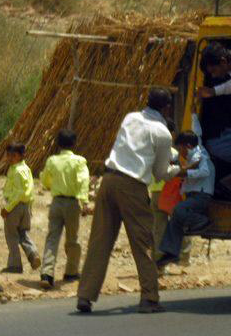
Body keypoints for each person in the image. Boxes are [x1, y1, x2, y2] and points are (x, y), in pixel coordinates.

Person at [76, 88, 180, 314]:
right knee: (142, 243)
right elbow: (160, 173)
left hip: (109, 179)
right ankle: (149, 298)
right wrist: (180, 169)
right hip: (133, 186)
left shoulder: (130, 118)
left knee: (100, 240)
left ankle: (85, 295)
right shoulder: (162, 133)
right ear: (167, 108)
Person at [157, 115, 215, 268]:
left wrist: (185, 173)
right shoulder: (194, 151)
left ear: (188, 146)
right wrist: (194, 115)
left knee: (178, 210)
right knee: (175, 221)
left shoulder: (200, 155)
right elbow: (198, 132)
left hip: (201, 196)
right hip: (192, 196)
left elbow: (204, 171)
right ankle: (171, 253)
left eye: (181, 147)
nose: (180, 151)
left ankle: (203, 222)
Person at [38, 129, 90, 289]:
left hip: (56, 203)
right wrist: (85, 201)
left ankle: (47, 273)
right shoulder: (79, 161)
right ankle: (71, 271)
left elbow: (45, 179)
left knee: (52, 237)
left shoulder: (52, 161)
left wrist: (50, 186)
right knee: (72, 239)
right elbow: (83, 181)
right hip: (72, 204)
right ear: (74, 144)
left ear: (58, 144)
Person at [0, 142, 41, 274]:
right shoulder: (26, 169)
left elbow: (18, 193)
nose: (9, 158)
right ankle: (32, 254)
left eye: (12, 155)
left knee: (11, 236)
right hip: (26, 207)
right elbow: (29, 189)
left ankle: (15, 265)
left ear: (19, 156)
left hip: (15, 207)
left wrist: (7, 208)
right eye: (8, 155)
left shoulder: (16, 171)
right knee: (23, 233)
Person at [148, 118, 179, 262]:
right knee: (179, 224)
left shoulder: (151, 152)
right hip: (169, 192)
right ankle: (181, 257)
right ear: (172, 134)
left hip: (155, 192)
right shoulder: (174, 153)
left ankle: (157, 259)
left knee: (158, 227)